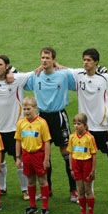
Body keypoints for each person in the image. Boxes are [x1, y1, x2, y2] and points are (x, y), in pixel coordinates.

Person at [68, 48, 108, 206]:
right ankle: (89, 193)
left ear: (96, 62)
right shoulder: (78, 75)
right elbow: (61, 69)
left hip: (105, 128)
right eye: (84, 60)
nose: (85, 63)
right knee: (86, 161)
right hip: (86, 130)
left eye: (88, 60)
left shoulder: (106, 78)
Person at [25, 47, 77, 202]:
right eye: (42, 58)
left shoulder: (63, 75)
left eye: (48, 58)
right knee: (42, 154)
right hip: (42, 117)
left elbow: (77, 74)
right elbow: (18, 80)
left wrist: (63, 66)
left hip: (59, 117)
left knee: (66, 153)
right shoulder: (36, 76)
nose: (44, 60)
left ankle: (73, 190)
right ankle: (47, 188)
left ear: (54, 60)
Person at [0, 55, 30, 200]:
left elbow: (36, 71)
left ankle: (25, 190)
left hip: (14, 129)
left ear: (7, 66)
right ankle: (2, 188)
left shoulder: (17, 80)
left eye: (0, 64)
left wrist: (12, 73)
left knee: (19, 160)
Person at [15, 97, 51, 214]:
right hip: (26, 155)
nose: (26, 111)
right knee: (30, 180)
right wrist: (18, 157)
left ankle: (45, 206)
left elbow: (46, 142)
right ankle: (32, 206)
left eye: (29, 109)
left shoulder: (41, 122)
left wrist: (46, 159)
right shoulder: (21, 123)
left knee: (42, 180)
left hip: (38, 155)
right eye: (24, 109)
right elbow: (18, 141)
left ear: (35, 108)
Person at [67, 114, 97, 214]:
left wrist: (93, 170)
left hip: (87, 164)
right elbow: (70, 153)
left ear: (85, 125)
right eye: (74, 124)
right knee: (80, 190)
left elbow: (94, 155)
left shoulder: (90, 138)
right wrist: (71, 168)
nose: (76, 126)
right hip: (76, 165)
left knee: (88, 190)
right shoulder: (72, 137)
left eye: (78, 124)